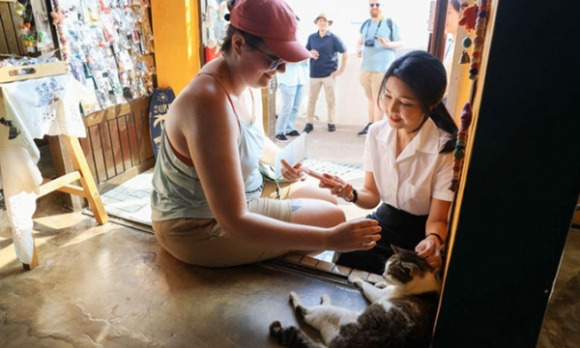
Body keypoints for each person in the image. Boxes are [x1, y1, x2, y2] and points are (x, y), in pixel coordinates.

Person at [150, 0, 381, 268]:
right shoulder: (208, 102)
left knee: (327, 201)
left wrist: (282, 160)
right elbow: (235, 221)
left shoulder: (245, 80)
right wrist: (328, 239)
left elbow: (250, 144)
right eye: (274, 60)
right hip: (197, 226)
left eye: (285, 61)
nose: (281, 70)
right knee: (331, 221)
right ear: (238, 44)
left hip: (247, 194)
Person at [315, 51, 458, 275]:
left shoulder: (444, 150)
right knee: (347, 255)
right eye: (388, 96)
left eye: (405, 103)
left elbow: (438, 219)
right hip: (386, 220)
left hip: (420, 232)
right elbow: (371, 196)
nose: (391, 109)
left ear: (430, 105)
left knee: (407, 280)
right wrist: (348, 192)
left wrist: (432, 241)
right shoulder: (376, 133)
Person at [356, 0, 403, 136]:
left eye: (377, 4)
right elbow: (359, 42)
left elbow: (401, 42)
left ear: (383, 6)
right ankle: (370, 125)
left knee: (379, 99)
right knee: (370, 98)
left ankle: (376, 129)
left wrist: (388, 44)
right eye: (372, 5)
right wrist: (358, 49)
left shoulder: (390, 23)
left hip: (382, 69)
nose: (374, 7)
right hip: (366, 67)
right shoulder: (366, 24)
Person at [303, 13, 348, 133]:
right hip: (314, 74)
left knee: (330, 100)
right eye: (320, 21)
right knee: (311, 100)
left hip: (329, 75)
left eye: (325, 21)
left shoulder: (334, 38)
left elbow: (345, 52)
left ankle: (331, 122)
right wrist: (310, 53)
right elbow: (305, 52)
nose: (322, 23)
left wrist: (341, 70)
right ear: (317, 23)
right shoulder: (311, 37)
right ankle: (309, 123)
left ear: (328, 23)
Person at [275, 59, 308, 142]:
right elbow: (286, 60)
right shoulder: (282, 47)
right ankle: (279, 132)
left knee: (295, 107)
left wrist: (307, 56)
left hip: (300, 79)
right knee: (287, 107)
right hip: (287, 80)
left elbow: (305, 60)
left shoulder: (301, 46)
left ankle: (289, 129)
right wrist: (304, 56)